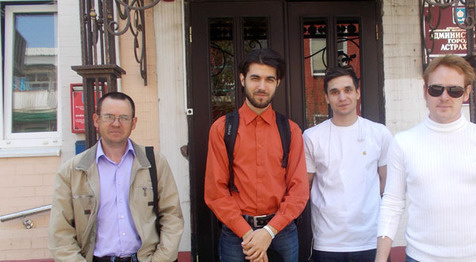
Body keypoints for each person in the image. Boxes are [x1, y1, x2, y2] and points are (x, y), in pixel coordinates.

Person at [376, 55, 476, 261]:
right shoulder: (404, 142)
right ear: (425, 92)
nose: (444, 97)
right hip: (421, 257)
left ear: (466, 93)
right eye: (436, 89)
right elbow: (392, 203)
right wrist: (380, 259)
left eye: (454, 90)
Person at [48, 92, 184, 262]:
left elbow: (172, 216)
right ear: (96, 120)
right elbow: (60, 233)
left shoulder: (154, 163)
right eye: (109, 116)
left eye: (124, 118)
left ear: (133, 123)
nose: (116, 123)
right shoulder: (73, 171)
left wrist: (161, 259)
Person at [204, 48, 310, 262]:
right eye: (255, 78)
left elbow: (299, 191)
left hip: (281, 231)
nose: (262, 86)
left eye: (269, 79)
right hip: (237, 234)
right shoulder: (223, 129)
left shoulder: (291, 130)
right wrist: (248, 234)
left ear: (277, 82)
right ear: (242, 79)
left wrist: (269, 232)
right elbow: (216, 191)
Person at [302, 67, 392, 262]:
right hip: (328, 242)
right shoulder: (312, 137)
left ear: (357, 93)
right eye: (334, 92)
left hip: (370, 239)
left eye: (348, 90)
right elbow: (304, 186)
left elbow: (386, 183)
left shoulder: (379, 133)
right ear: (326, 97)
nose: (342, 97)